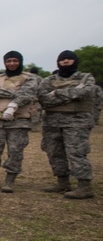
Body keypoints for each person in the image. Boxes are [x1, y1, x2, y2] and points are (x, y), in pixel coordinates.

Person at [38, 50, 96, 199]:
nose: (65, 62)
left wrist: (56, 93)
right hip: (52, 122)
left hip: (77, 121)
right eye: (62, 59)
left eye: (69, 59)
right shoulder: (48, 80)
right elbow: (43, 99)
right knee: (54, 152)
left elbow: (84, 93)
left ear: (75, 61)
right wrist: (70, 94)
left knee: (76, 153)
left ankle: (84, 186)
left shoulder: (85, 78)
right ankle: (62, 182)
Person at [0, 51, 39, 192]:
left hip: (18, 119)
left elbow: (28, 95)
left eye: (15, 61)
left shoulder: (29, 78)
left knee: (15, 151)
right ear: (5, 62)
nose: (12, 63)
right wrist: (18, 94)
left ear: (20, 62)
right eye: (9, 61)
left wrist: (13, 104)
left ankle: (9, 181)